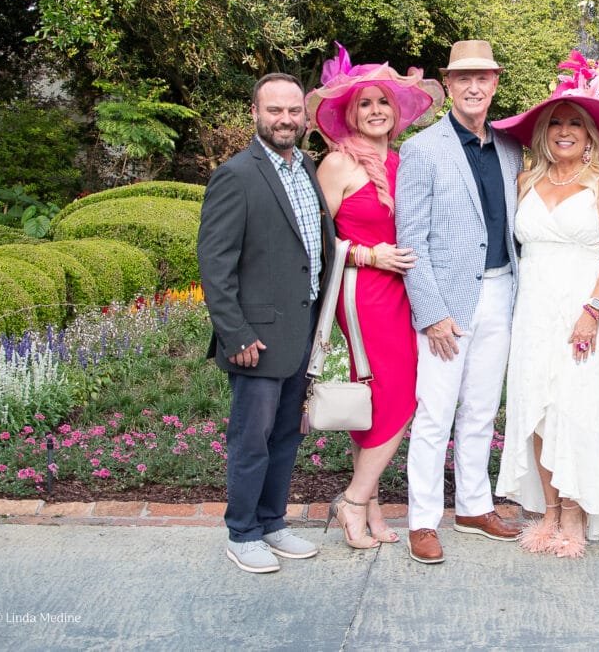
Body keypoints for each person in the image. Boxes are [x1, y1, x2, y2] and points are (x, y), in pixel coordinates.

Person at [493, 51, 599, 558]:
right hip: (532, 312)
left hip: (582, 312)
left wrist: (593, 310)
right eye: (555, 122)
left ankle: (576, 515)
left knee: (575, 411)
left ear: (589, 134)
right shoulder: (526, 181)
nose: (563, 131)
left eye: (574, 123)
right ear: (543, 133)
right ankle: (549, 512)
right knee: (536, 411)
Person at [306, 44, 444, 549]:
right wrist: (368, 255)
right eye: (364, 103)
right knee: (399, 394)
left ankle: (371, 511)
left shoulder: (403, 162)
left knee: (378, 395)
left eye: (383, 101)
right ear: (350, 114)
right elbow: (316, 240)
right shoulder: (338, 164)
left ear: (396, 110)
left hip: (403, 290)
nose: (375, 111)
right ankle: (353, 499)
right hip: (362, 291)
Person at [198, 73, 337, 574]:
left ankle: (272, 522)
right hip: (254, 338)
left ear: (304, 116)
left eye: (294, 111)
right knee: (251, 439)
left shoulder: (308, 168)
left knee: (284, 436)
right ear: (255, 113)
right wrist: (235, 332)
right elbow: (215, 263)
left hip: (301, 329)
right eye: (274, 110)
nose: (285, 119)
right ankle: (243, 532)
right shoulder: (236, 175)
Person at [395, 40, 524, 564]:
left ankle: (474, 507)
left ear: (494, 84)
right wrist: (432, 315)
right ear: (448, 85)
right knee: (434, 414)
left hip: (501, 292)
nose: (474, 88)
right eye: (463, 79)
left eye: (482, 79)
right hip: (447, 304)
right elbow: (411, 239)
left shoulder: (511, 148)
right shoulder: (422, 150)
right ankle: (423, 520)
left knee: (481, 411)